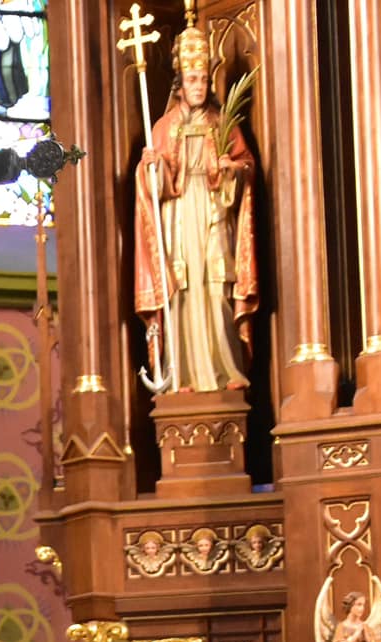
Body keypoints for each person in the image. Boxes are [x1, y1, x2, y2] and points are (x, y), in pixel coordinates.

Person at [133, 16, 257, 393]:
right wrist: (152, 168)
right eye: (192, 79)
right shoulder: (163, 126)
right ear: (181, 83)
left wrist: (232, 170)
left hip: (215, 211)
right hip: (179, 215)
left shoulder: (223, 123)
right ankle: (182, 375)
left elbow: (247, 166)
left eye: (203, 79)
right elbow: (152, 188)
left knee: (218, 288)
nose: (199, 85)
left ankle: (227, 369)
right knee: (182, 291)